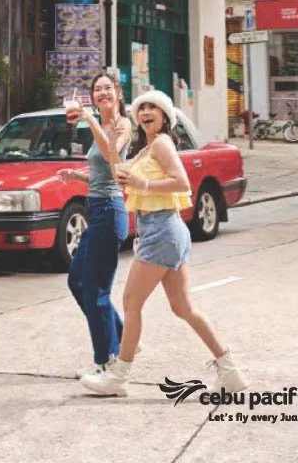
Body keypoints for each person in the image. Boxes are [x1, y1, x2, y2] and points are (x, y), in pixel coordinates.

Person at [80, 90, 248, 398]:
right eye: (141, 107)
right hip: (163, 230)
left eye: (152, 107)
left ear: (165, 116)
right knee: (183, 307)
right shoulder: (147, 150)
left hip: (162, 230)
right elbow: (115, 165)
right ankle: (230, 371)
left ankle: (119, 376)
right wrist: (100, 123)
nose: (145, 111)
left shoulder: (162, 145)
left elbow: (182, 182)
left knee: (131, 302)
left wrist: (142, 184)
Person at [59, 71, 132, 379]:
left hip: (110, 211)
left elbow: (112, 156)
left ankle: (107, 361)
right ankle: (124, 339)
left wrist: (88, 119)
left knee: (96, 289)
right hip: (97, 210)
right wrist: (77, 177)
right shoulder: (101, 126)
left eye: (107, 88)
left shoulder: (122, 125)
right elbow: (104, 175)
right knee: (77, 281)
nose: (102, 92)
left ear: (117, 94)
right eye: (97, 89)